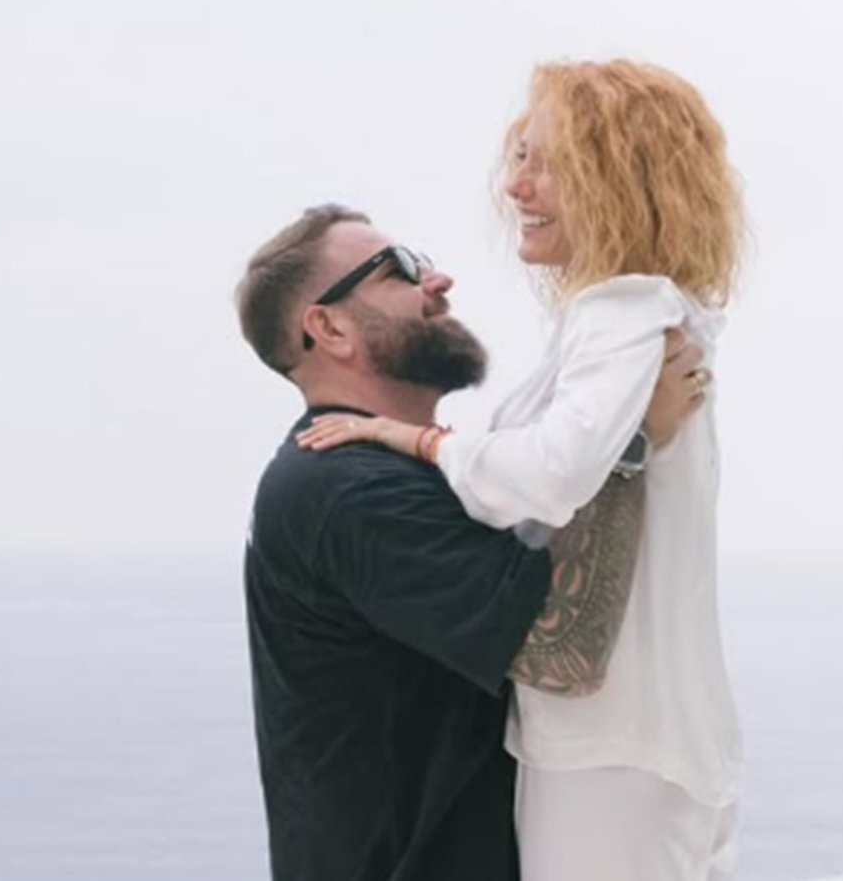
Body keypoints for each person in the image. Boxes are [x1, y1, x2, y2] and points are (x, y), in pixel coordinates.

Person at [296, 60, 744, 880]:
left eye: (548, 163)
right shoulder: (642, 314)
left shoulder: (623, 309)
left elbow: (552, 474)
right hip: (645, 746)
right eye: (520, 156)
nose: (516, 186)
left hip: (611, 751)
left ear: (618, 181)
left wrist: (420, 442)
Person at [234, 203, 705, 881]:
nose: (438, 280)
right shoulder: (346, 491)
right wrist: (629, 446)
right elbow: (563, 653)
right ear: (329, 327)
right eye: (399, 269)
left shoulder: (377, 474)